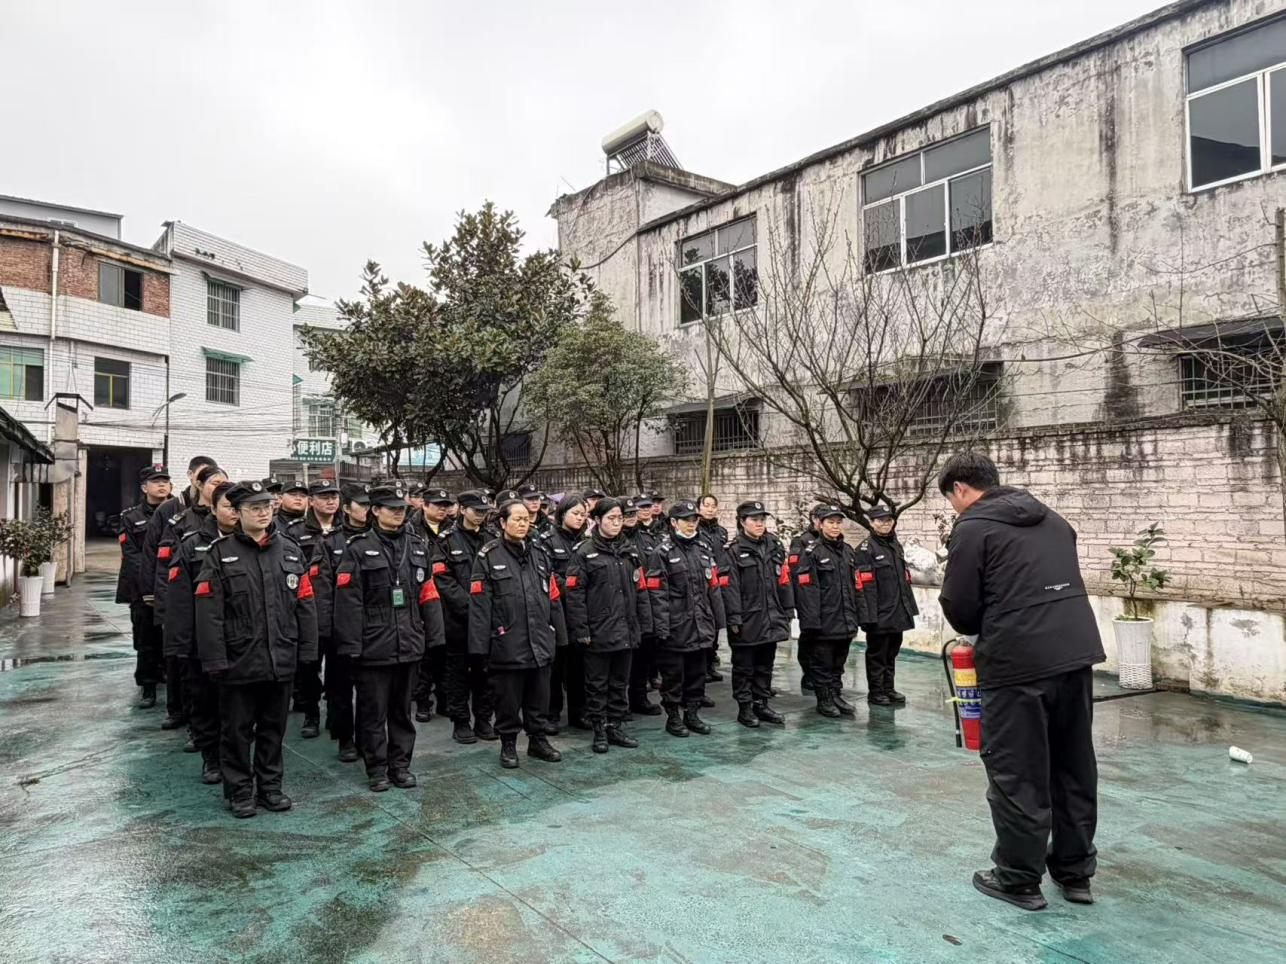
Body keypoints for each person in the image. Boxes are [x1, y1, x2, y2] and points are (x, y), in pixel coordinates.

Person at [937, 452, 1104, 911]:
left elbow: (960, 607)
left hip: (1017, 662)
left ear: (960, 489)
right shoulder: (1053, 520)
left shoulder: (973, 527)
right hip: (1073, 653)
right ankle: (1076, 872)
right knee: (1073, 764)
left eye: (952, 499)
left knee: (1018, 769)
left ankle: (1018, 878)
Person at [195, 480, 318, 818]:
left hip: (281, 656)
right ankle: (239, 791)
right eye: (254, 508)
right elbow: (209, 611)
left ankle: (270, 788)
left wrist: (307, 651)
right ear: (238, 513)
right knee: (236, 731)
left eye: (267, 506)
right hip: (239, 660)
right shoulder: (220, 554)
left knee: (273, 729)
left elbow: (305, 604)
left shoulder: (290, 551)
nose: (263, 513)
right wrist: (215, 659)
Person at [332, 485, 446, 792]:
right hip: (373, 644)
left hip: (409, 641)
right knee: (373, 712)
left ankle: (400, 765)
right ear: (375, 511)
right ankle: (377, 768)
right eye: (391, 508)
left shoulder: (417, 546)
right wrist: (351, 646)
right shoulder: (358, 548)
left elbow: (428, 594)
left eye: (401, 508)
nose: (398, 513)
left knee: (402, 712)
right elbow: (348, 601)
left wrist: (434, 637)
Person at [469, 498, 566, 769]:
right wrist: (480, 649)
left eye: (526, 519)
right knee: (508, 700)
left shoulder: (539, 553)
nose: (523, 524)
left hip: (540, 640)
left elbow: (552, 597)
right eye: (517, 519)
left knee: (539, 696)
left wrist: (559, 635)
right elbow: (480, 605)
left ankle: (538, 740)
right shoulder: (488, 556)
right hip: (507, 642)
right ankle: (508, 744)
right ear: (502, 522)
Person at [163, 480, 238, 785]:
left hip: (242, 641)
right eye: (228, 506)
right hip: (202, 641)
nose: (235, 512)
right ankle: (211, 758)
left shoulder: (255, 543)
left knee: (237, 707)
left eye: (239, 507)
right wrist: (180, 645)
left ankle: (235, 759)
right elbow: (179, 600)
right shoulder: (192, 545)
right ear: (214, 509)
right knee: (205, 702)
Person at [564, 497, 648, 753]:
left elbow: (640, 589)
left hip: (626, 629)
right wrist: (582, 630)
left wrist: (643, 624)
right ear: (597, 520)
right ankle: (599, 729)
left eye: (619, 518)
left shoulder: (630, 551)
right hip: (598, 631)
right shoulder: (584, 552)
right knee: (597, 684)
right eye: (611, 518)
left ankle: (615, 726)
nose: (616, 523)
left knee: (619, 682)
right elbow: (574, 595)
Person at [154, 462, 229, 733]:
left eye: (223, 483)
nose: (219, 488)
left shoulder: (238, 527)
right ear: (198, 484)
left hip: (222, 617)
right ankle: (182, 715)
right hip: (189, 610)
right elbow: (165, 567)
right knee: (183, 667)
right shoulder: (181, 521)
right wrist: (163, 609)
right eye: (214, 483)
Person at [645, 499, 725, 738]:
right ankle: (673, 717)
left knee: (697, 675)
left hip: (701, 625)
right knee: (673, 676)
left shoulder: (703, 549)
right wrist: (662, 628)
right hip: (676, 627)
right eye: (686, 520)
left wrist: (718, 621)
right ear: (673, 522)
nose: (691, 524)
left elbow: (713, 588)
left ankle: (692, 714)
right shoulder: (662, 553)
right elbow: (657, 594)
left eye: (694, 520)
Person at [793, 504, 871, 719]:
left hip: (845, 618)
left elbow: (857, 586)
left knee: (839, 662)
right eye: (830, 522)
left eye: (838, 522)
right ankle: (824, 699)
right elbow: (807, 590)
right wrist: (811, 622)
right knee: (822, 663)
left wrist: (861, 615)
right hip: (824, 620)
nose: (835, 526)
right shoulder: (812, 552)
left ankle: (836, 694)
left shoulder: (848, 551)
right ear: (820, 524)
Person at [434, 490, 497, 744]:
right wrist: (471, 607)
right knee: (457, 673)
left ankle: (483, 719)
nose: (480, 516)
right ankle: (460, 721)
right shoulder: (447, 540)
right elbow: (443, 579)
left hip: (487, 618)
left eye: (484, 512)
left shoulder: (492, 538)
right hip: (458, 620)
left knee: (485, 672)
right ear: (462, 510)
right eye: (476, 511)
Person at [722, 500, 792, 727]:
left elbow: (783, 579)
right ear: (742, 522)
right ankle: (745, 708)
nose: (760, 523)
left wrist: (787, 608)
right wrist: (734, 618)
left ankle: (761, 704)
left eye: (762, 519)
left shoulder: (773, 545)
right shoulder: (733, 551)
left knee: (765, 664)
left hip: (771, 616)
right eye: (754, 519)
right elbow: (730, 588)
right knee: (744, 667)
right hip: (747, 619)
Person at [285, 477, 342, 738]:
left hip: (340, 609)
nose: (331, 501)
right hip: (310, 609)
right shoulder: (295, 532)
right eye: (324, 496)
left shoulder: (346, 530)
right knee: (308, 666)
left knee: (339, 669)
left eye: (334, 496)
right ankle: (311, 714)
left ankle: (335, 715)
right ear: (312, 501)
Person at [321, 482, 372, 762]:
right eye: (362, 505)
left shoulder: (380, 539)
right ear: (347, 509)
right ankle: (344, 738)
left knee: (370, 690)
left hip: (373, 629)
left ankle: (366, 738)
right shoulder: (332, 542)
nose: (367, 510)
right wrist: (330, 630)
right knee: (339, 688)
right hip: (340, 629)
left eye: (370, 505)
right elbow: (323, 590)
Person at [117, 464, 172, 708]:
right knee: (146, 637)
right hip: (143, 586)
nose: (161, 485)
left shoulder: (180, 514)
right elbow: (132, 555)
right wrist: (152, 581)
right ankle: (148, 686)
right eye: (156, 481)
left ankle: (168, 675)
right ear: (144, 487)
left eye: (165, 481)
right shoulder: (131, 517)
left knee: (173, 636)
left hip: (173, 583)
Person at [856, 505, 919, 707]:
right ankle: (876, 691)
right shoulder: (866, 549)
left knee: (892, 652)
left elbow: (903, 580)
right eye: (881, 520)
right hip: (879, 613)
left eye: (889, 520)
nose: (886, 524)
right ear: (872, 523)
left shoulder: (894, 545)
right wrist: (868, 616)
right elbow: (865, 587)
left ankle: (888, 688)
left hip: (897, 610)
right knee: (877, 654)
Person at [541, 494, 590, 734]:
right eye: (575, 514)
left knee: (579, 665)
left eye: (583, 514)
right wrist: (574, 588)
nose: (580, 518)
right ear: (562, 514)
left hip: (581, 611)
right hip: (557, 610)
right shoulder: (547, 540)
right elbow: (547, 574)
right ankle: (551, 713)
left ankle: (578, 712)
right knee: (555, 665)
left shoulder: (588, 541)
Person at [410, 486, 453, 723]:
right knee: (424, 656)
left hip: (448, 600)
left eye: (446, 506)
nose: (442, 510)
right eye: (437, 505)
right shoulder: (411, 528)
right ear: (425, 505)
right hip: (422, 598)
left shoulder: (452, 529)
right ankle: (422, 701)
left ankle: (444, 700)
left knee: (445, 655)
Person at [626, 493, 663, 716]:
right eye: (628, 513)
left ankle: (639, 698)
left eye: (633, 512)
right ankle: (619, 704)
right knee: (622, 662)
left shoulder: (647, 539)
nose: (632, 516)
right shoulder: (614, 541)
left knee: (643, 657)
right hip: (623, 608)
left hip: (646, 605)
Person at [788, 506, 823, 694]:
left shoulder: (831, 542)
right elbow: (795, 572)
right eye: (819, 518)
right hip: (807, 598)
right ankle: (808, 673)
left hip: (827, 600)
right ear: (813, 519)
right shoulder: (801, 541)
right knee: (810, 636)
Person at [696, 493, 729, 682]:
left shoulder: (721, 532)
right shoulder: (696, 530)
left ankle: (710, 663)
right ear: (699, 508)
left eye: (713, 506)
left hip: (719, 582)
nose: (710, 509)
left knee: (716, 624)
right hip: (702, 582)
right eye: (706, 505)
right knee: (704, 623)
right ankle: (702, 667)